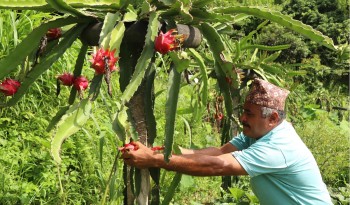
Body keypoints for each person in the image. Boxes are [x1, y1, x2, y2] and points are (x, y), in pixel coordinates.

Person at [121, 78, 333, 205]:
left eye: (249, 114)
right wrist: (161, 152)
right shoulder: (258, 133)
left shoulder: (278, 147)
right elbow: (220, 152)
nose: (242, 118)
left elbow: (217, 165)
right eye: (244, 112)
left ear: (273, 118)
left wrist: (155, 160)